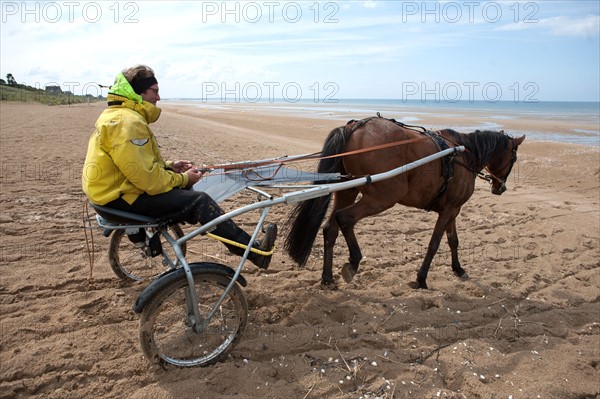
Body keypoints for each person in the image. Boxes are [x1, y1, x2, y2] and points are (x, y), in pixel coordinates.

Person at [82, 65, 276, 269]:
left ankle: (197, 217)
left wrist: (169, 166)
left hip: (109, 192)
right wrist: (184, 179)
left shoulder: (117, 115)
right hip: (118, 198)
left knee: (189, 196)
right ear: (140, 92)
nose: (158, 97)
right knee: (200, 201)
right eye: (155, 91)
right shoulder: (127, 123)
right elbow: (148, 180)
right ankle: (256, 253)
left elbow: (132, 163)